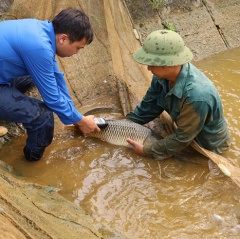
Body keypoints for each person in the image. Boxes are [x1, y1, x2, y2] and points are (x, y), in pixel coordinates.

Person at [0, 8, 100, 161]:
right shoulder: (39, 48)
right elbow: (52, 99)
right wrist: (80, 120)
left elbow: (56, 77)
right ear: (63, 39)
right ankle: (31, 161)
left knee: (33, 77)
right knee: (43, 117)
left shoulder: (42, 31)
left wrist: (76, 116)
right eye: (78, 47)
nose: (77, 53)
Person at [126, 29, 230, 160]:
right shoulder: (160, 77)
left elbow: (182, 138)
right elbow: (149, 107)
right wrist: (123, 124)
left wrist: (147, 150)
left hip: (208, 147)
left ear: (168, 64)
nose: (148, 68)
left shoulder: (198, 96)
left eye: (152, 64)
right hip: (186, 132)